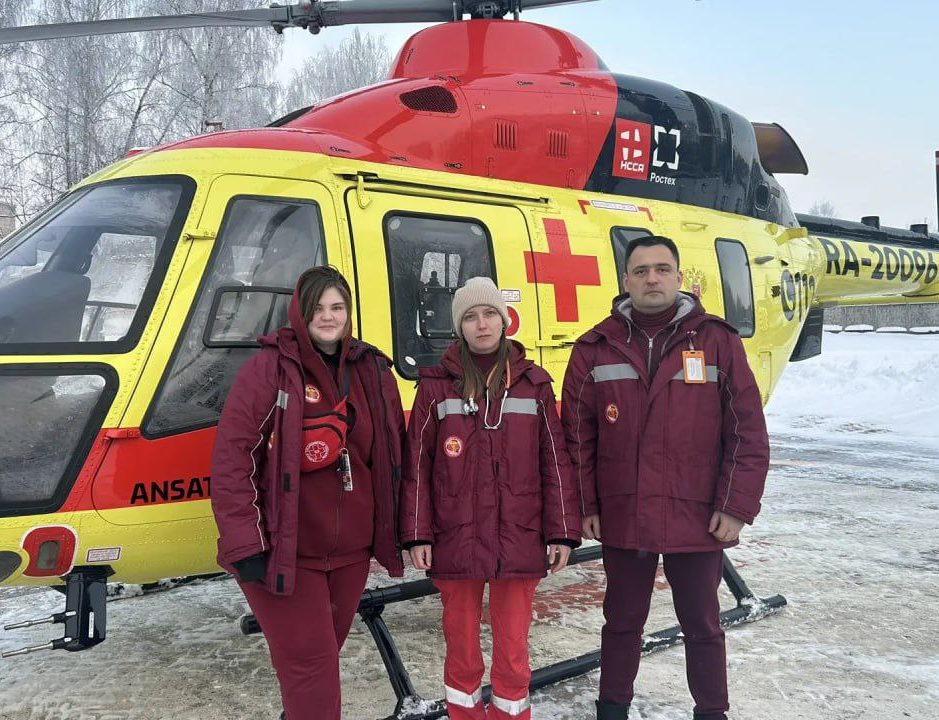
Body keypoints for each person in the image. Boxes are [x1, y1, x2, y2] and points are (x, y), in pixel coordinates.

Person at [561, 236, 769, 720]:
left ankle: (712, 712)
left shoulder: (717, 341)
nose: (651, 279)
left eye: (661, 269)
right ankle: (612, 710)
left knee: (702, 625)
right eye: (641, 271)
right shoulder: (595, 348)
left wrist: (736, 506)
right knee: (621, 623)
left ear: (679, 277)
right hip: (624, 513)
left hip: (697, 514)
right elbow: (577, 437)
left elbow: (747, 431)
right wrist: (587, 505)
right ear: (626, 281)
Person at [211, 265, 406, 720]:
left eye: (337, 307)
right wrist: (244, 542)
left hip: (351, 555)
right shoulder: (271, 369)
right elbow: (233, 459)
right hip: (286, 553)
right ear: (299, 312)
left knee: (318, 663)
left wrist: (405, 528)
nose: (328, 316)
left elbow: (395, 454)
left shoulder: (372, 369)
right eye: (317, 307)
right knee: (311, 666)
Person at [400, 276, 582, 720]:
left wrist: (562, 532)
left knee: (513, 651)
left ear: (504, 321)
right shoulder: (435, 387)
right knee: (461, 650)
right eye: (470, 316)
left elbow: (555, 460)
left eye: (489, 314)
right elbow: (417, 465)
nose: (481, 324)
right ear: (458, 326)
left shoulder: (534, 385)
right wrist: (418, 534)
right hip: (455, 536)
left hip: (519, 534)